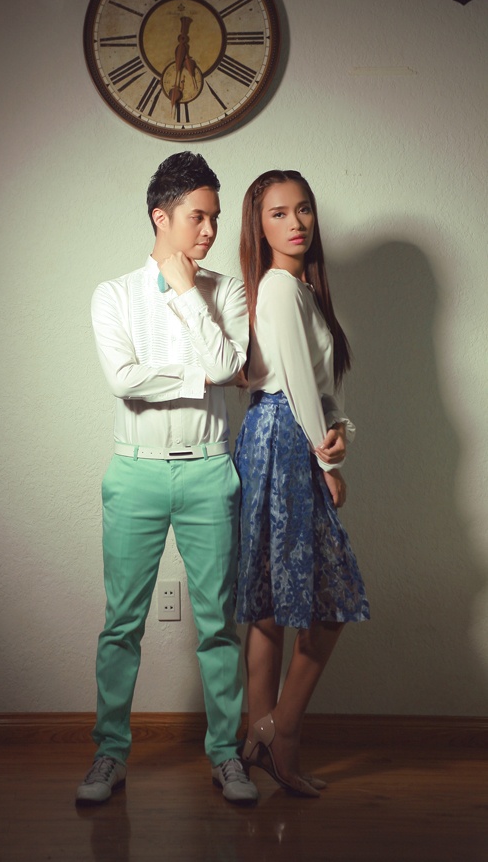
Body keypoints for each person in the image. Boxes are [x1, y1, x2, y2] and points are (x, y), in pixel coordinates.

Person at [76, 152, 258, 805]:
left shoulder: (227, 292)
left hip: (210, 470)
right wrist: (201, 375)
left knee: (218, 624)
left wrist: (187, 292)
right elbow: (124, 381)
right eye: (197, 216)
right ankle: (109, 753)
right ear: (162, 216)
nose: (210, 230)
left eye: (215, 217)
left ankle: (225, 755)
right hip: (136, 473)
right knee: (121, 623)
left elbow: (229, 368)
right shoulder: (113, 295)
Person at [234, 169, 370, 797]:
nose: (296, 223)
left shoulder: (299, 290)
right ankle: (281, 732)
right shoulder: (278, 287)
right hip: (283, 436)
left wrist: (337, 429)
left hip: (281, 433)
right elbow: (292, 384)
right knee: (326, 598)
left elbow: (315, 384)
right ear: (258, 227)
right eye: (279, 213)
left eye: (304, 210)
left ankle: (262, 734)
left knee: (271, 600)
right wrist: (327, 462)